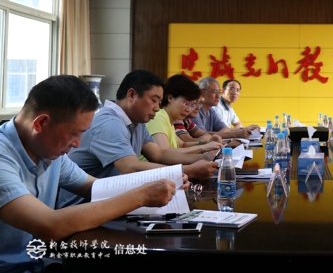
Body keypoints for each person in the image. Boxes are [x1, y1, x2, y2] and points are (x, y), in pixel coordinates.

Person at [0, 75, 176, 272]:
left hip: (43, 261)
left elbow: (96, 188)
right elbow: (49, 225)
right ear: (41, 123)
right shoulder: (3, 156)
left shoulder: (50, 154)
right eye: (74, 134)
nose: (77, 143)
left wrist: (156, 186)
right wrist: (142, 195)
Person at [60, 70, 218, 206]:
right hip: (83, 208)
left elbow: (159, 154)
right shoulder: (109, 123)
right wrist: (189, 170)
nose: (157, 108)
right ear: (131, 95)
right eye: (154, 100)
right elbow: (130, 167)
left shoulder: (137, 123)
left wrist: (204, 158)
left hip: (111, 202)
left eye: (159, 102)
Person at [145, 74, 222, 154]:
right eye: (186, 103)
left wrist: (207, 142)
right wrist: (203, 148)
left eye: (192, 105)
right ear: (170, 98)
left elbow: (182, 145)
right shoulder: (159, 117)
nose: (188, 110)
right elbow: (164, 153)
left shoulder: (169, 121)